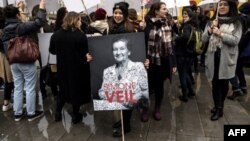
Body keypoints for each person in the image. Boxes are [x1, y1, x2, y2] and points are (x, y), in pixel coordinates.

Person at [2, 0, 46, 121]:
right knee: (30, 87)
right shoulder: (21, 27)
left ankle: (18, 113)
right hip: (25, 61)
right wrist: (41, 8)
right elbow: (39, 22)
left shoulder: (5, 30)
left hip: (13, 62)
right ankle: (31, 113)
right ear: (17, 15)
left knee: (18, 87)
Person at [202, 0, 242, 121]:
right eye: (221, 4)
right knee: (215, 84)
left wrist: (220, 33)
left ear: (230, 7)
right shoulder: (211, 22)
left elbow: (235, 40)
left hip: (226, 58)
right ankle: (217, 106)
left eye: (225, 4)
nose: (222, 6)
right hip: (213, 57)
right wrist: (210, 30)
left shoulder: (236, 22)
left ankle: (220, 107)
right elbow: (203, 39)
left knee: (224, 84)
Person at [49, 11, 92, 124]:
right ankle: (75, 115)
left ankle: (58, 113)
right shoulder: (80, 35)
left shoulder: (56, 35)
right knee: (75, 91)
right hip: (77, 69)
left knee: (63, 90)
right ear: (75, 20)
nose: (80, 22)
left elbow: (52, 51)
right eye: (79, 19)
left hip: (62, 67)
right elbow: (86, 52)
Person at [142, 1, 176, 122]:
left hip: (164, 61)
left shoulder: (168, 23)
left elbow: (171, 44)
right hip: (150, 61)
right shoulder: (147, 24)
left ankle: (157, 108)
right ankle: (145, 109)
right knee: (147, 86)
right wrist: (143, 28)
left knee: (159, 86)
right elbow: (143, 44)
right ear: (156, 11)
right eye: (164, 9)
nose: (166, 10)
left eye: (166, 9)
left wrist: (174, 63)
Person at [98, 37, 149, 109]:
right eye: (115, 49)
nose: (118, 53)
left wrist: (138, 95)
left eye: (122, 48)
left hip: (132, 108)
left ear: (129, 52)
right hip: (112, 109)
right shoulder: (107, 71)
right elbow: (101, 92)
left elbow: (146, 92)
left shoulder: (138, 67)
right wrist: (117, 98)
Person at [227, 2, 250, 100]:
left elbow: (239, 36)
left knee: (232, 69)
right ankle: (243, 86)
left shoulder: (240, 19)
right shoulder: (248, 18)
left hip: (238, 47)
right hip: (245, 48)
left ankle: (236, 89)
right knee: (238, 68)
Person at [0, 7, 14, 112]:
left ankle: (6, 102)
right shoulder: (4, 26)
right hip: (6, 54)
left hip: (2, 55)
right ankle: (6, 102)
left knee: (7, 80)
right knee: (10, 79)